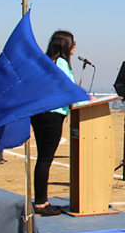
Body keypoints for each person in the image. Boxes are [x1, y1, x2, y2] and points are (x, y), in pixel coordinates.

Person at [30, 30, 91, 216]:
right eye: (72, 43)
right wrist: (87, 99)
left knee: (43, 158)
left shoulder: (46, 62)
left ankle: (42, 200)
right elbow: (69, 91)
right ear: (64, 45)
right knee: (45, 159)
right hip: (52, 115)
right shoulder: (61, 63)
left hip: (39, 113)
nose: (74, 47)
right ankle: (41, 203)